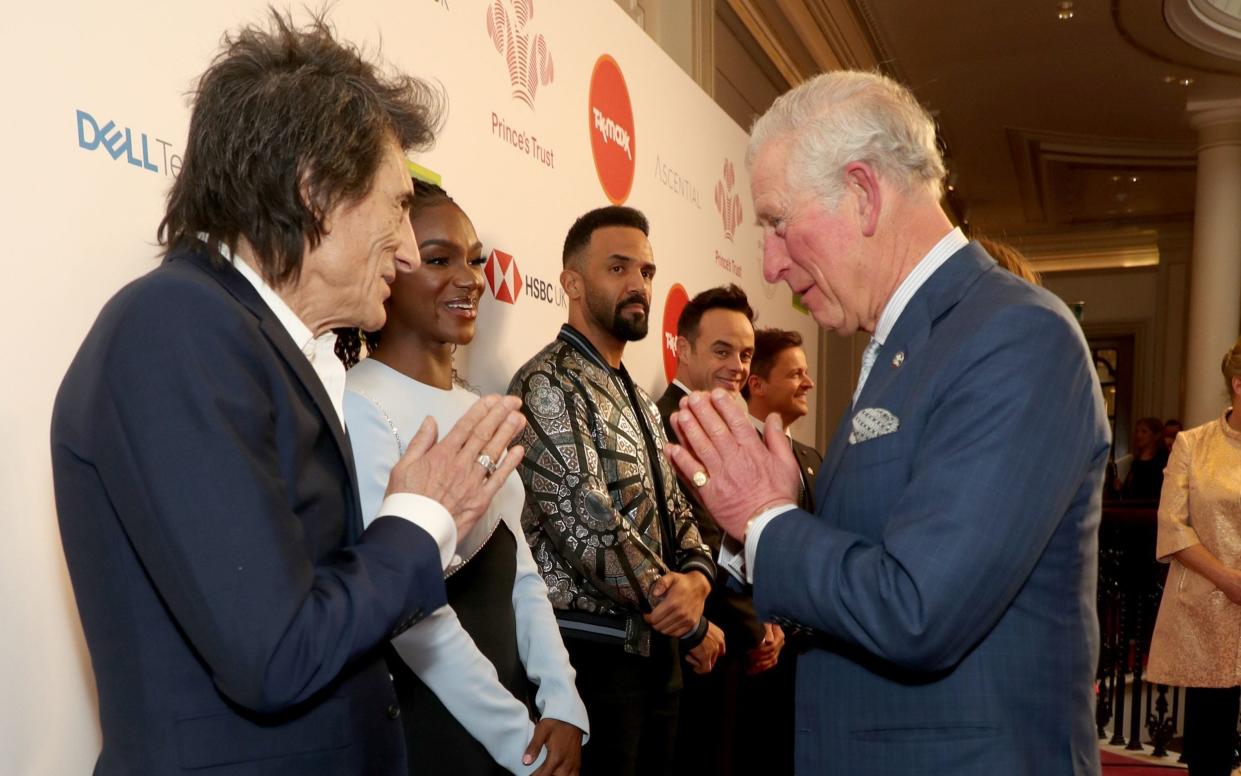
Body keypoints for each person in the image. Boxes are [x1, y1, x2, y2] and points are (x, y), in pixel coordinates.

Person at [49, 14, 527, 775]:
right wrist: (417, 519)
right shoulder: (177, 328)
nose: (406, 252)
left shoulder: (248, 341)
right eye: (397, 206)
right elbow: (275, 653)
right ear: (314, 193)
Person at [663, 70, 1110, 775]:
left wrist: (765, 520)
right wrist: (770, 517)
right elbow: (877, 552)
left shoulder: (1016, 336)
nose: (770, 263)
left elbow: (918, 610)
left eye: (778, 223)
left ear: (863, 193)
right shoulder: (911, 345)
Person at [339, 181, 587, 776]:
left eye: (475, 259)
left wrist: (562, 701)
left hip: (515, 712)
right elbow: (409, 614)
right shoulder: (360, 405)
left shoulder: (479, 401)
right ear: (388, 269)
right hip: (433, 722)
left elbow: (522, 571)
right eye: (439, 259)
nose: (470, 278)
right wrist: (516, 739)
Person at [508, 206, 721, 776]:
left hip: (658, 660)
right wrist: (689, 617)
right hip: (588, 660)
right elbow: (587, 519)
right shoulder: (545, 381)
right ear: (572, 283)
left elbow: (678, 508)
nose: (639, 285)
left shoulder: (643, 403)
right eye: (619, 268)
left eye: (647, 273)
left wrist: (698, 581)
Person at [654, 285, 783, 776]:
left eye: (746, 354)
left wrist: (769, 617)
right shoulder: (664, 424)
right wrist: (755, 627)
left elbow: (749, 534)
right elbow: (695, 540)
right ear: (682, 350)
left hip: (737, 649)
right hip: (694, 650)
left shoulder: (736, 431)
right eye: (722, 350)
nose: (737, 366)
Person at [1146, 338, 1241, 776]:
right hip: (1210, 610)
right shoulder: (1192, 444)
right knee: (1209, 746)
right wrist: (1228, 580)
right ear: (1238, 384)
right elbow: (1172, 526)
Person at [744, 327, 823, 501]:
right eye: (796, 374)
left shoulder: (814, 459)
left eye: (806, 374)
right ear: (757, 385)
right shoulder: (736, 453)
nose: (809, 384)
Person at [1118, 417, 1168, 501]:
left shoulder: (1162, 460)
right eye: (1137, 431)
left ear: (1157, 435)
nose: (1138, 435)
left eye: (1144, 432)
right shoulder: (1136, 461)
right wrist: (1120, 487)